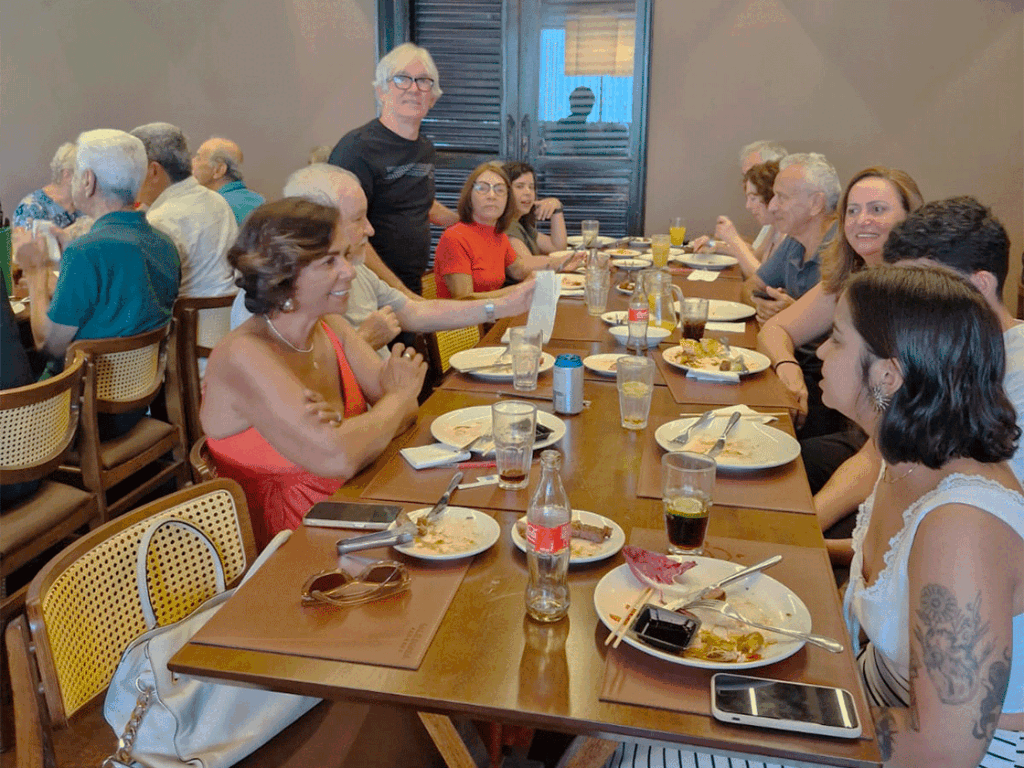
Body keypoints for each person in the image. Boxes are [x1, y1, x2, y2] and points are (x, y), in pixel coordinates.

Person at [599, 265, 1023, 768]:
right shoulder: (906, 460)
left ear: (889, 373)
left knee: (654, 747)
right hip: (867, 700)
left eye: (838, 341)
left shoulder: (962, 525)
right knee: (647, 715)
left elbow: (945, 750)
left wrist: (779, 718)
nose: (819, 351)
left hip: (951, 753)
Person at [201, 198, 426, 548]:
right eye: (330, 261)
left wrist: (367, 424)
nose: (350, 271)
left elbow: (408, 414)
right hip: (288, 555)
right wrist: (394, 400)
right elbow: (339, 457)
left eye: (345, 257)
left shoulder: (330, 326)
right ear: (284, 275)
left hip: (355, 515)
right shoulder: (242, 354)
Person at [817, 196, 1024, 558]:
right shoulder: (926, 355)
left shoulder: (1013, 383)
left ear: (979, 285)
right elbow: (875, 458)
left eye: (921, 288)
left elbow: (976, 540)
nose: (900, 309)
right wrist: (805, 526)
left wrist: (822, 550)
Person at [229, 164, 536, 355]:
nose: (370, 229)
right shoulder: (270, 294)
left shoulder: (355, 270)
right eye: (359, 219)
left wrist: (506, 305)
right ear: (317, 224)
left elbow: (414, 311)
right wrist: (363, 343)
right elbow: (296, 399)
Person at [758, 167, 923, 481]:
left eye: (877, 210)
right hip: (851, 424)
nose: (862, 220)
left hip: (893, 449)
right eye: (853, 211)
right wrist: (786, 367)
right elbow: (775, 328)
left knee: (776, 470)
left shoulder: (919, 292)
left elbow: (899, 434)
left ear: (909, 218)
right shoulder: (851, 275)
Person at [13, 129, 180, 434]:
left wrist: (35, 273)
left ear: (87, 180)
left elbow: (48, 344)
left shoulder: (87, 251)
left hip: (84, 413)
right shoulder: (164, 243)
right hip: (139, 400)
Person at [328, 42, 459, 298]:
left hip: (410, 280)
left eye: (423, 81)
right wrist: (396, 289)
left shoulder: (424, 148)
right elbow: (345, 230)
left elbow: (420, 201)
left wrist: (467, 222)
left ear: (432, 97)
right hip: (365, 286)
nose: (413, 88)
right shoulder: (356, 150)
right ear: (381, 91)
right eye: (402, 79)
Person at [433, 162, 577, 300]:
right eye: (482, 189)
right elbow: (464, 299)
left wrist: (559, 263)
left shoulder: (497, 234)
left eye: (499, 190)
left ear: (508, 200)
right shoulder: (454, 238)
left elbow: (518, 268)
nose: (492, 196)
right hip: (468, 325)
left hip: (494, 318)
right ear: (469, 197)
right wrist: (518, 291)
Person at [130, 122, 238, 297]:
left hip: (185, 321)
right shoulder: (218, 201)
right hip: (229, 318)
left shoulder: (160, 219)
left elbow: (149, 295)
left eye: (133, 167)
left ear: (153, 170)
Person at [742, 152, 840, 323]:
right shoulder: (794, 240)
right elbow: (750, 286)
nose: (772, 207)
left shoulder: (844, 250)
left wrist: (794, 315)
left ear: (816, 203)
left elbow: (846, 335)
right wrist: (760, 304)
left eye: (781, 197)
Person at [690, 160, 784, 277]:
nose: (748, 206)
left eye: (753, 198)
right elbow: (754, 256)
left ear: (771, 196)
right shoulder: (774, 228)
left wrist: (733, 239)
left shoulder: (787, 233)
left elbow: (763, 279)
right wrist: (715, 246)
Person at [191, 137, 265, 224]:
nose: (191, 162)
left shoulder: (209, 208)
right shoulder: (261, 202)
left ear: (219, 170)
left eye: (198, 158)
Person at [502, 161, 567, 259]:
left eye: (531, 187)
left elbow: (557, 248)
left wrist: (557, 209)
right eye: (520, 186)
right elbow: (527, 266)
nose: (528, 192)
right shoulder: (507, 227)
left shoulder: (520, 224)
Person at [12, 142, 83, 232]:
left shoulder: (84, 203)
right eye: (85, 174)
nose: (90, 179)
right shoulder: (30, 209)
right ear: (67, 175)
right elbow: (26, 245)